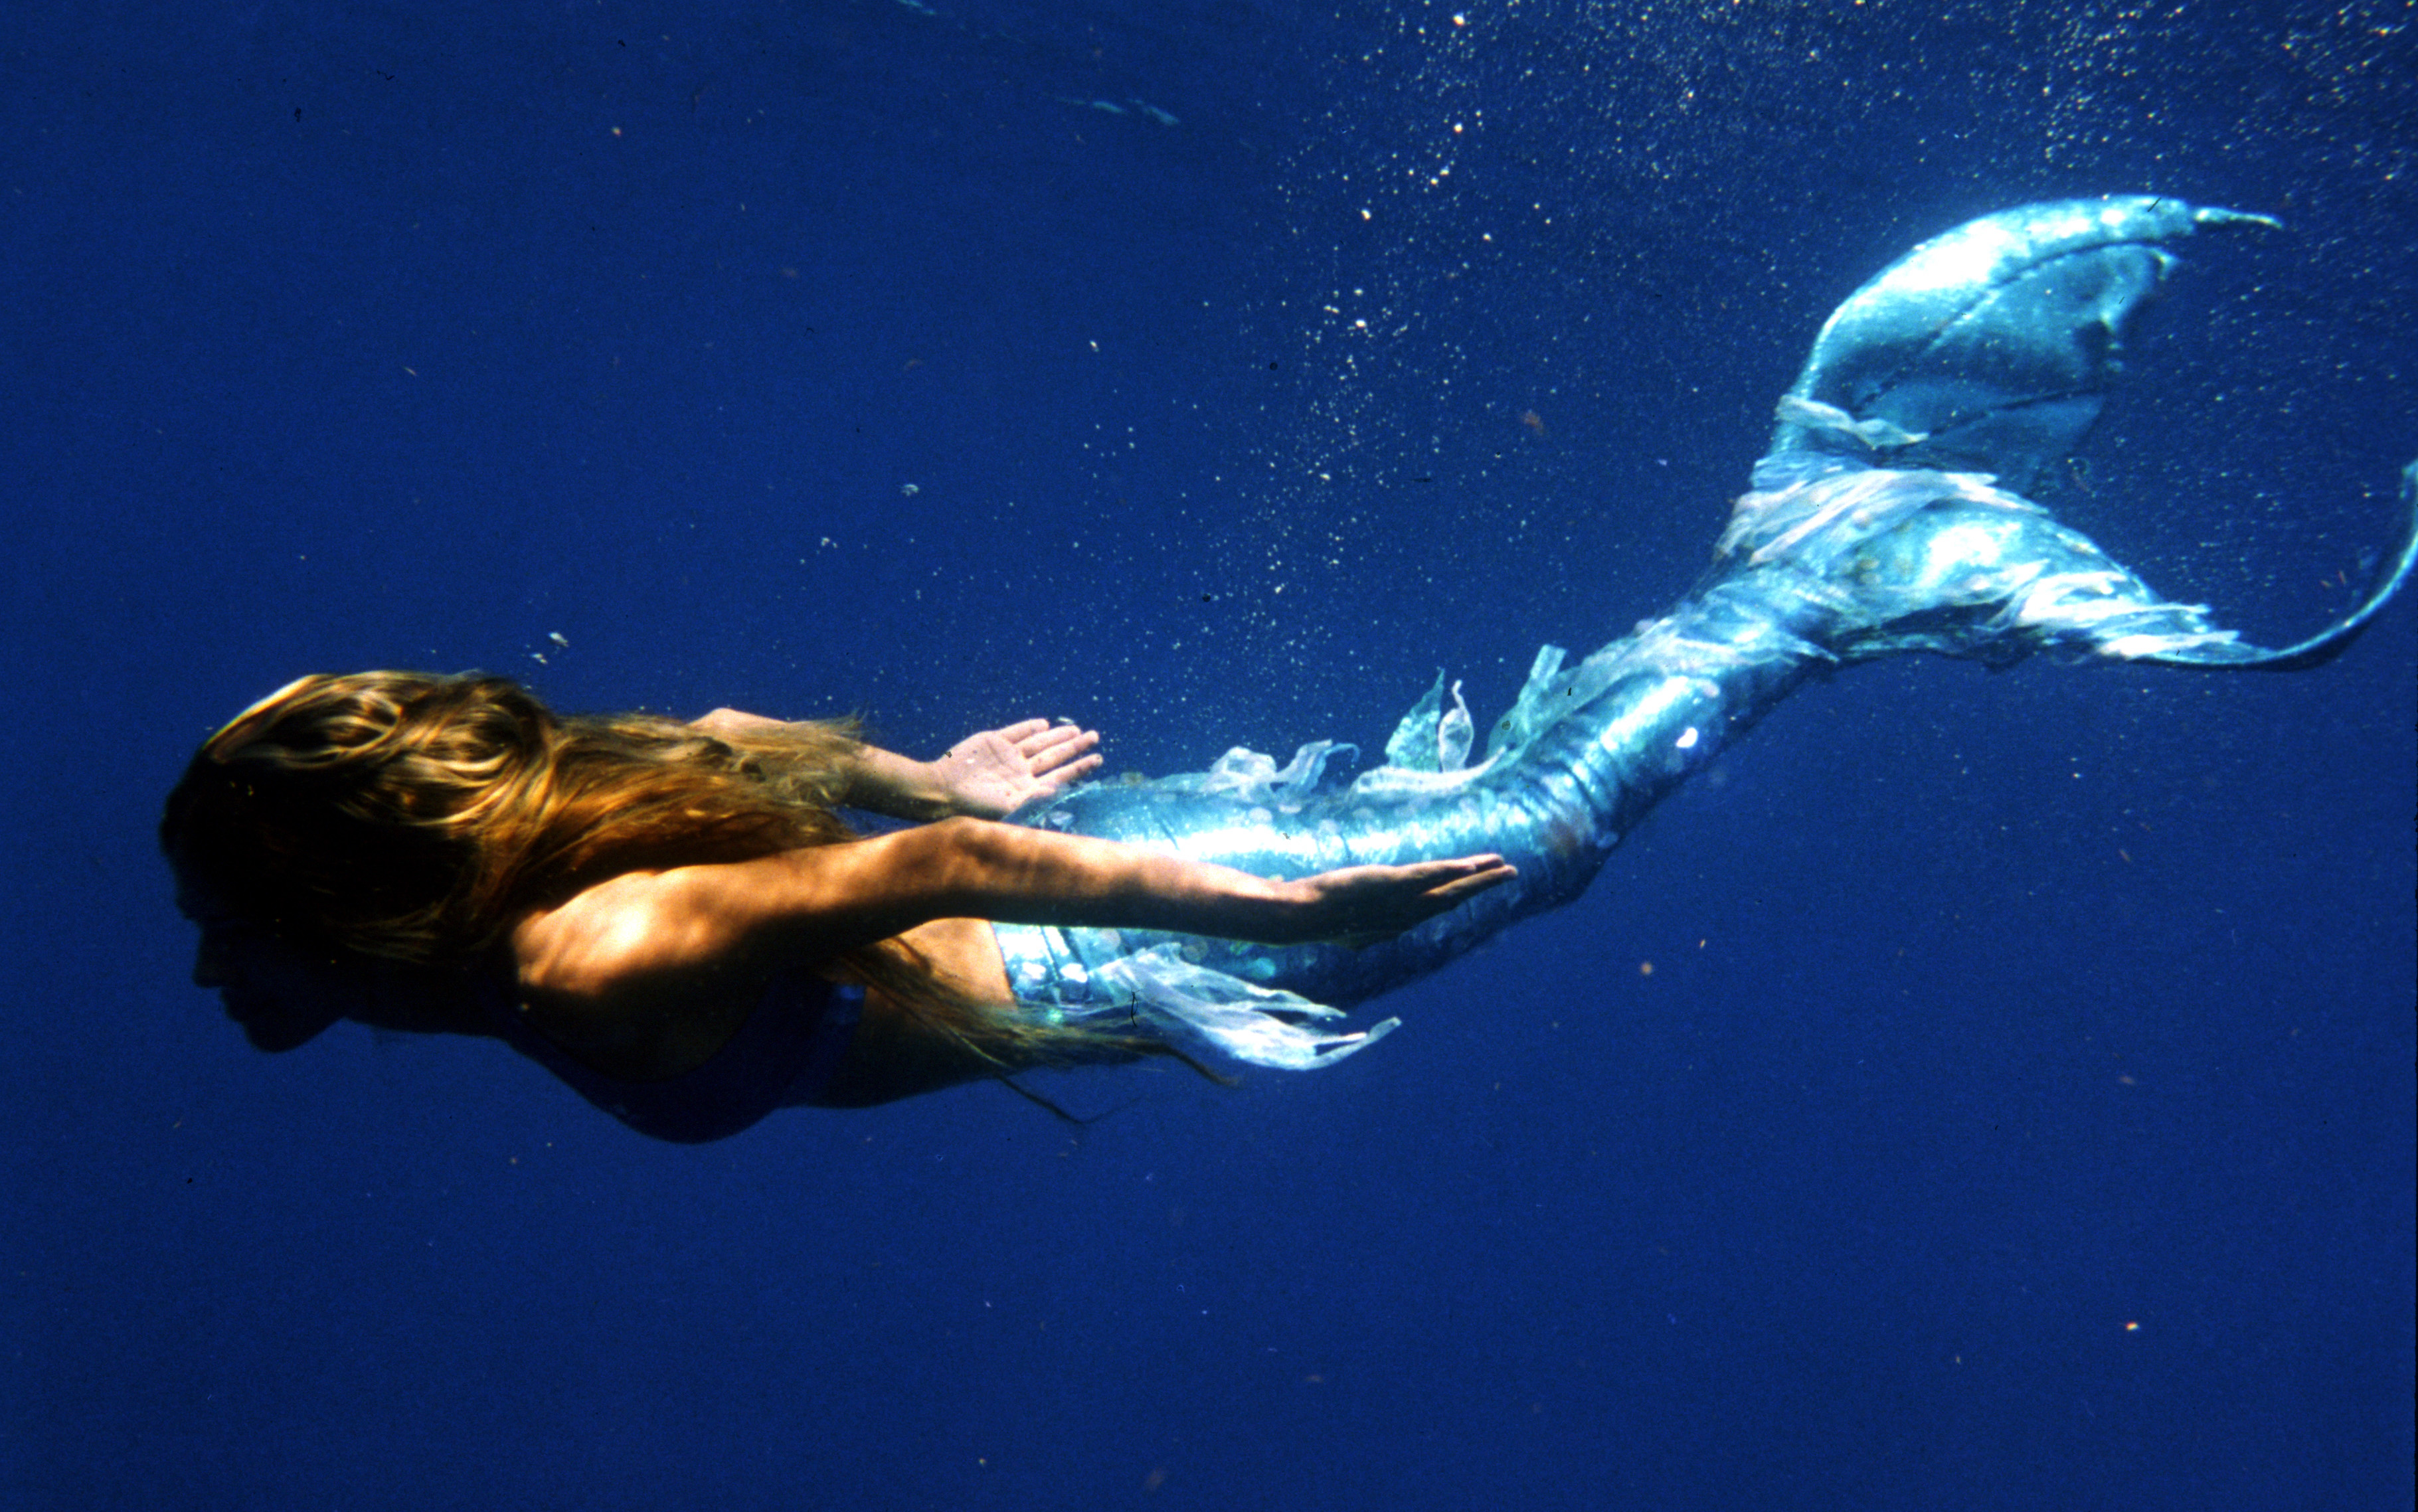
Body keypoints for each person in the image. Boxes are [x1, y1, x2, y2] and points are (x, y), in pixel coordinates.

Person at [166, 197, 2415, 1141]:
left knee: (1529, 826)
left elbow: (922, 864)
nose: (201, 965)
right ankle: (1831, 535)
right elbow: (739, 746)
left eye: (227, 920)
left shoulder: (581, 954)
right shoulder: (548, 857)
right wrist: (924, 760)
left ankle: (1842, 535)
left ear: (359, 893)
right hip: (1111, 885)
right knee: (1531, 793)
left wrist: (1278, 911)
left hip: (1124, 938)